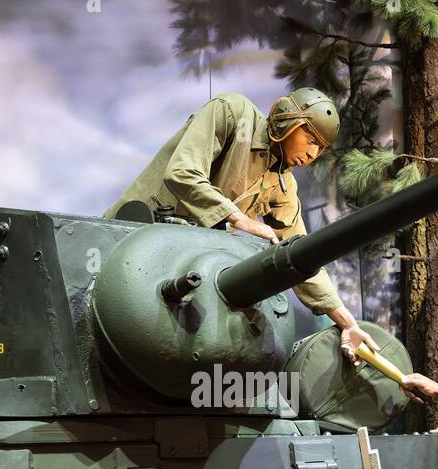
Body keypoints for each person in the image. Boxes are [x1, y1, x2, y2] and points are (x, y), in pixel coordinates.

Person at [104, 87, 377, 363]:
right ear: (288, 120)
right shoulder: (233, 113)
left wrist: (348, 322)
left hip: (178, 274)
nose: (313, 154)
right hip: (124, 247)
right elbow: (182, 173)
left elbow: (301, 258)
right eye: (310, 139)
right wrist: (239, 219)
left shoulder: (282, 185)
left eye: (320, 147)